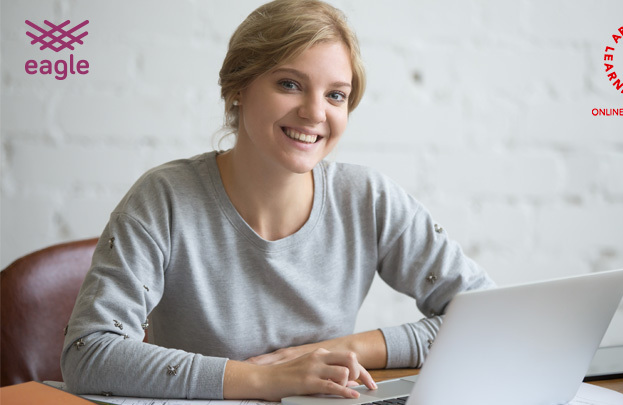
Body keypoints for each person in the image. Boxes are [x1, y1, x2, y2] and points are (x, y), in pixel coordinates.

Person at [60, 0, 494, 401]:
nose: (314, 112)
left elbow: (487, 317)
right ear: (238, 88)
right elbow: (88, 352)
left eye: (335, 95)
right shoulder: (165, 199)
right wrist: (264, 380)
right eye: (290, 84)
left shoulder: (370, 199)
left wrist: (342, 348)